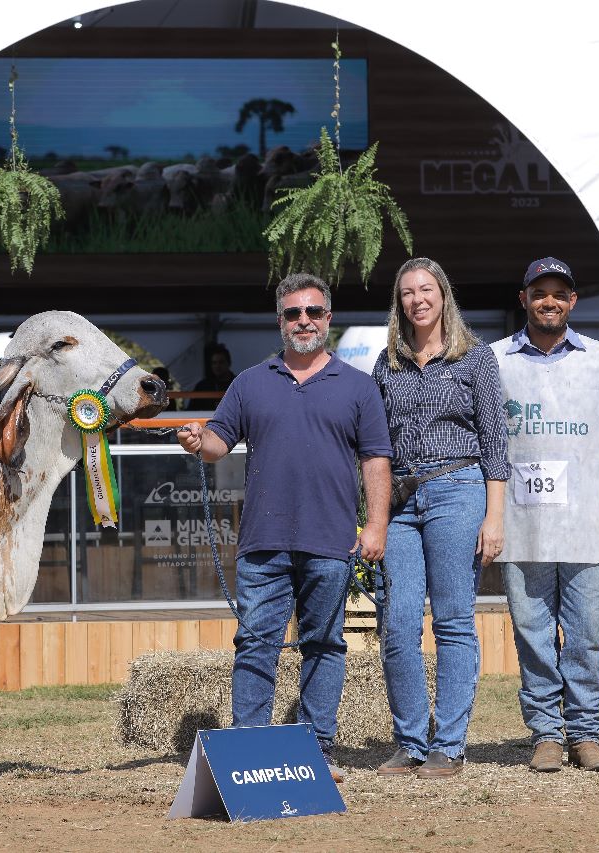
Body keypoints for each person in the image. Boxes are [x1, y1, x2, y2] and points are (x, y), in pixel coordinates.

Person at [177, 272, 393, 782]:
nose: (304, 321)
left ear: (328, 319)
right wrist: (197, 440)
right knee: (255, 644)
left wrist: (376, 526)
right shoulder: (250, 382)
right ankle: (249, 747)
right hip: (263, 542)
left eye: (313, 312)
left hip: (331, 540)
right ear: (280, 322)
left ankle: (318, 747)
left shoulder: (359, 388)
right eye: (294, 313)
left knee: (325, 644)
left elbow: (377, 462)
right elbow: (217, 443)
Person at [491, 257, 599, 773]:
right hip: (522, 518)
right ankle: (546, 735)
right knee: (531, 631)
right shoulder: (493, 361)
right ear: (524, 298)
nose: (548, 301)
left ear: (573, 302)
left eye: (559, 293)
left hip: (588, 517)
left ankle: (585, 733)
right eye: (539, 292)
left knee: (589, 632)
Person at [370, 257, 509, 779]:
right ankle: (409, 742)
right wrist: (374, 514)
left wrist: (494, 518)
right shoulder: (388, 364)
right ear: (398, 303)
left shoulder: (475, 359)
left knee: (452, 622)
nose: (417, 300)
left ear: (443, 295)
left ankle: (448, 745)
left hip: (458, 489)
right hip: (401, 501)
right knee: (399, 624)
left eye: (426, 290)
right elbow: (375, 445)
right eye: (407, 293)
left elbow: (496, 442)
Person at [185, 343, 237, 410]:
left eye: (221, 362)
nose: (217, 366)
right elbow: (190, 412)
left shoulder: (238, 384)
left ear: (228, 363)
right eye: (214, 363)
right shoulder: (202, 386)